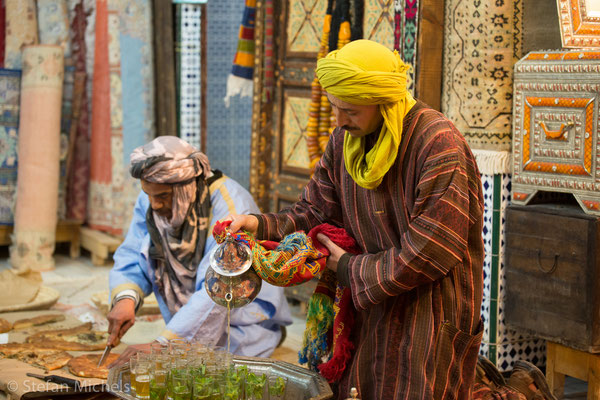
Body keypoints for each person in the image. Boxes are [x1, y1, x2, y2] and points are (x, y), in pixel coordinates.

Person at [226, 39, 485, 399]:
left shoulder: (437, 144)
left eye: (349, 110)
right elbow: (315, 210)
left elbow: (431, 251)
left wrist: (349, 268)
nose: (338, 120)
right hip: (370, 305)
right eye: (334, 107)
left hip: (429, 307)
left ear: (383, 101)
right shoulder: (344, 141)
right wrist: (260, 224)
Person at [106, 136, 292, 366]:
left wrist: (164, 345)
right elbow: (134, 250)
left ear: (185, 188)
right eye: (148, 195)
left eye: (162, 196)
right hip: (186, 322)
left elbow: (219, 289)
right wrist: (126, 299)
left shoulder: (232, 209)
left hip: (241, 326)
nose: (154, 205)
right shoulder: (153, 196)